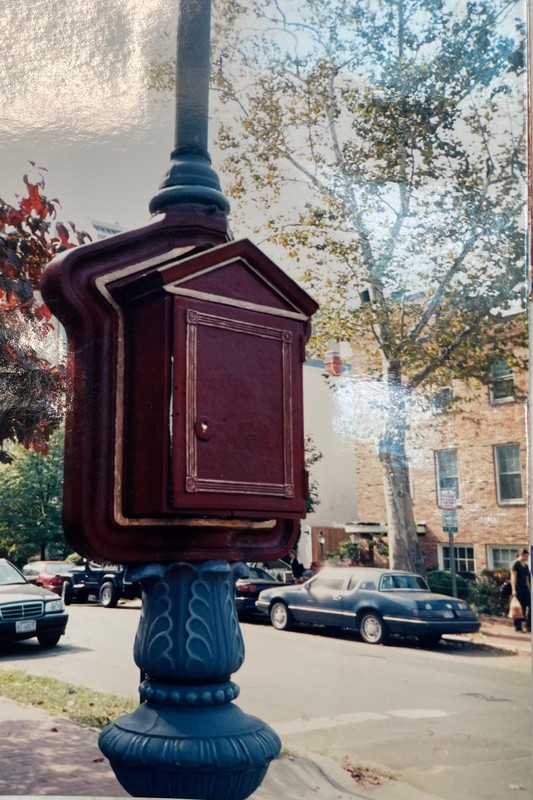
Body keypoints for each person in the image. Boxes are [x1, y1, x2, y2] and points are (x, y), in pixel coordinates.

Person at [510, 549, 531, 633]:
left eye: (527, 556)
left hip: (525, 588)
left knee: (530, 606)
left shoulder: (525, 565)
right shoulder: (515, 564)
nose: (526, 558)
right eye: (525, 556)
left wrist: (529, 589)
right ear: (521, 555)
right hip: (518, 588)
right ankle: (518, 627)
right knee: (519, 607)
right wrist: (514, 589)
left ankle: (529, 626)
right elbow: (513, 577)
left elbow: (527, 579)